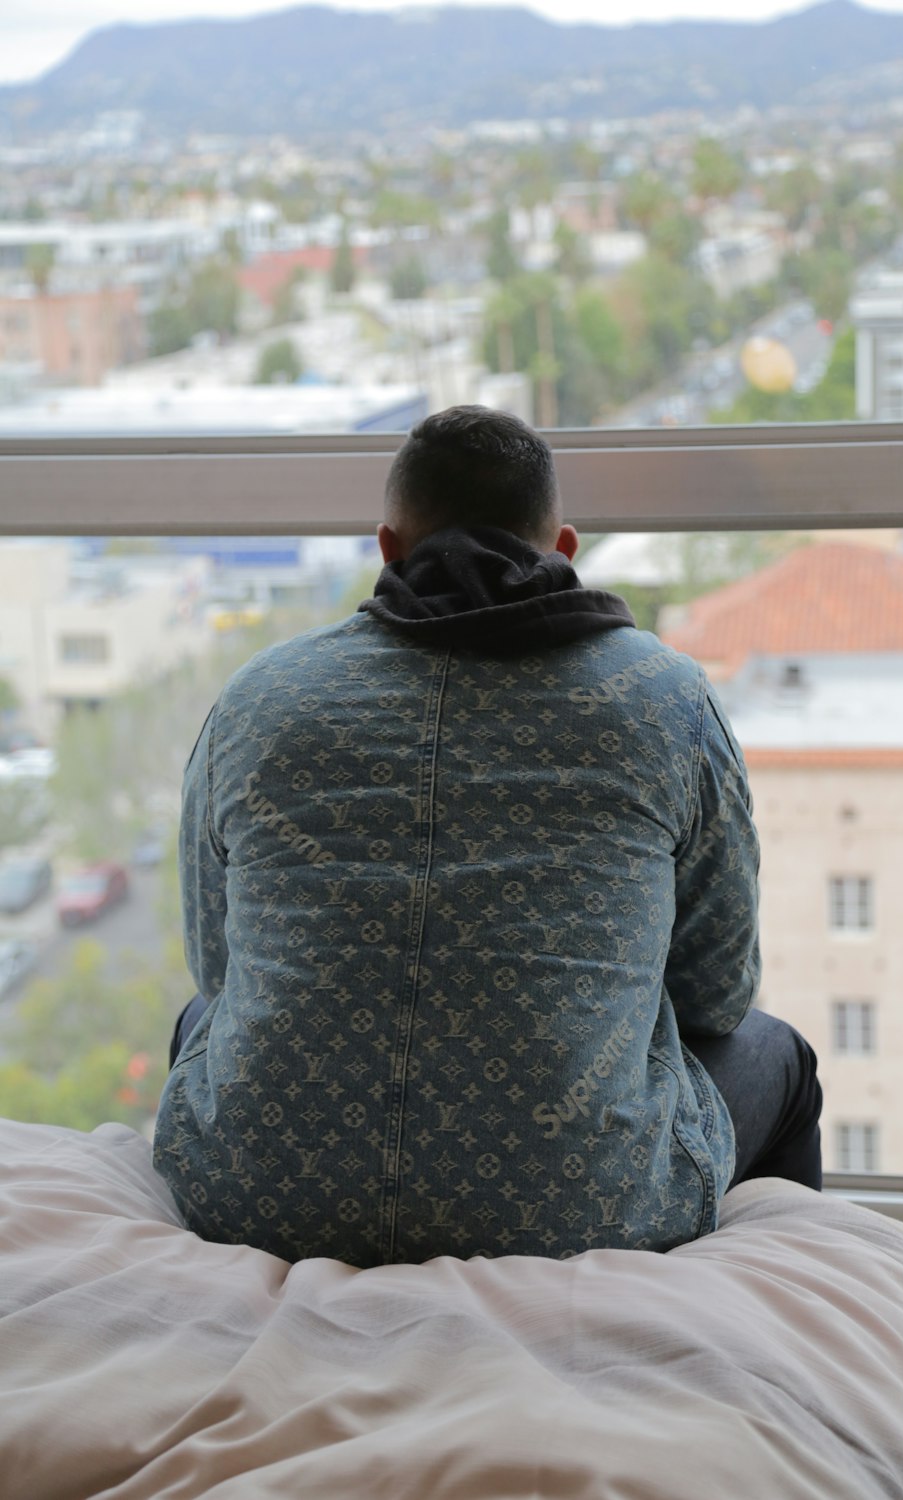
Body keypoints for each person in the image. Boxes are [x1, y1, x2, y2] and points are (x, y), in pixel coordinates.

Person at [154, 405, 821, 1267]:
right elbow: (715, 996)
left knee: (200, 1021)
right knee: (778, 1056)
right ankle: (789, 1318)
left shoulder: (259, 698)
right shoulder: (665, 701)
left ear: (388, 548)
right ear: (565, 548)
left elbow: (219, 969)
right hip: (581, 1206)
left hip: (255, 1192)